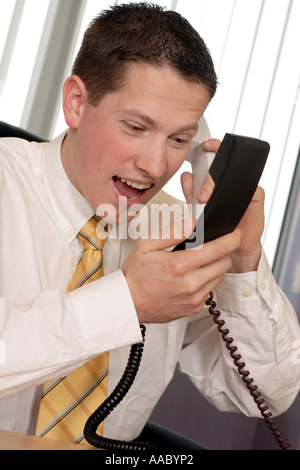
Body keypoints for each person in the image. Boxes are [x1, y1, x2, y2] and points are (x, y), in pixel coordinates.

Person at [0, 2, 299, 450]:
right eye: (136, 127)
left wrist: (241, 259)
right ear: (77, 103)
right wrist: (126, 301)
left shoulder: (171, 229)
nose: (156, 165)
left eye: (180, 139)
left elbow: (265, 395)